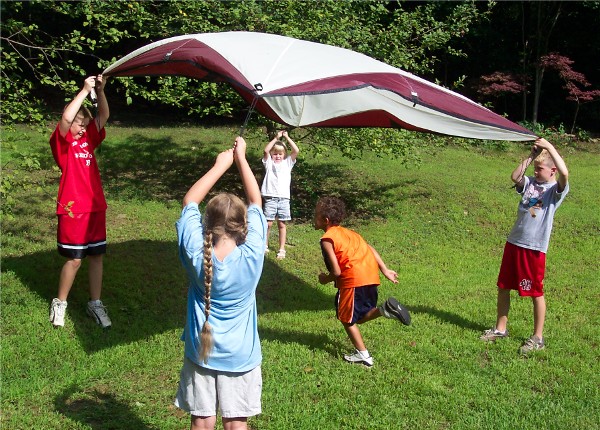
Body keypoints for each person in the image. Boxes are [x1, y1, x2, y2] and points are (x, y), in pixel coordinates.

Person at [174, 136, 267, 430]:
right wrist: (241, 159)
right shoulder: (252, 254)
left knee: (202, 420)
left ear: (207, 224)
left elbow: (190, 201)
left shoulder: (194, 252)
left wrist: (219, 165)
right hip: (241, 357)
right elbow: (256, 201)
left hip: (199, 350)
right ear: (243, 227)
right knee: (236, 422)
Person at [480, 137, 569, 355]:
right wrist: (531, 156)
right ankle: (500, 329)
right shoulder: (530, 183)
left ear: (552, 170)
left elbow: (566, 175)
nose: (537, 172)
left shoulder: (554, 191)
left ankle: (538, 337)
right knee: (503, 286)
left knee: (535, 292)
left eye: (540, 169)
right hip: (514, 243)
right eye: (536, 168)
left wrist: (550, 147)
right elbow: (515, 176)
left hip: (534, 248)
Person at [314, 196, 411, 367]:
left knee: (346, 319)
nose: (313, 218)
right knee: (357, 317)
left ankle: (363, 356)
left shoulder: (327, 239)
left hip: (353, 280)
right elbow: (370, 249)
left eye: (316, 215)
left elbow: (336, 271)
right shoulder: (350, 233)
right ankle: (385, 310)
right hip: (371, 276)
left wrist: (324, 279)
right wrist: (385, 270)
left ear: (326, 220)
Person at [49, 75, 112, 329]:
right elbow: (65, 119)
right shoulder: (63, 145)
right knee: (74, 259)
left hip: (96, 207)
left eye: (85, 123)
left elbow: (104, 116)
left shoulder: (88, 141)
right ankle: (60, 302)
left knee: (96, 256)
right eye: (79, 123)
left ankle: (95, 303)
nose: (83, 127)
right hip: (73, 210)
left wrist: (101, 91)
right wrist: (85, 90)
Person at [260, 130, 299, 259]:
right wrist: (276, 138)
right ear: (272, 154)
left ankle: (282, 249)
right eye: (275, 153)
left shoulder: (287, 163)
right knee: (268, 223)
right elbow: (266, 150)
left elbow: (296, 151)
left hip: (283, 198)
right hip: (270, 197)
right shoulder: (269, 163)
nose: (277, 156)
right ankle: (264, 245)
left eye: (280, 154)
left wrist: (287, 137)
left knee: (282, 224)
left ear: (284, 154)